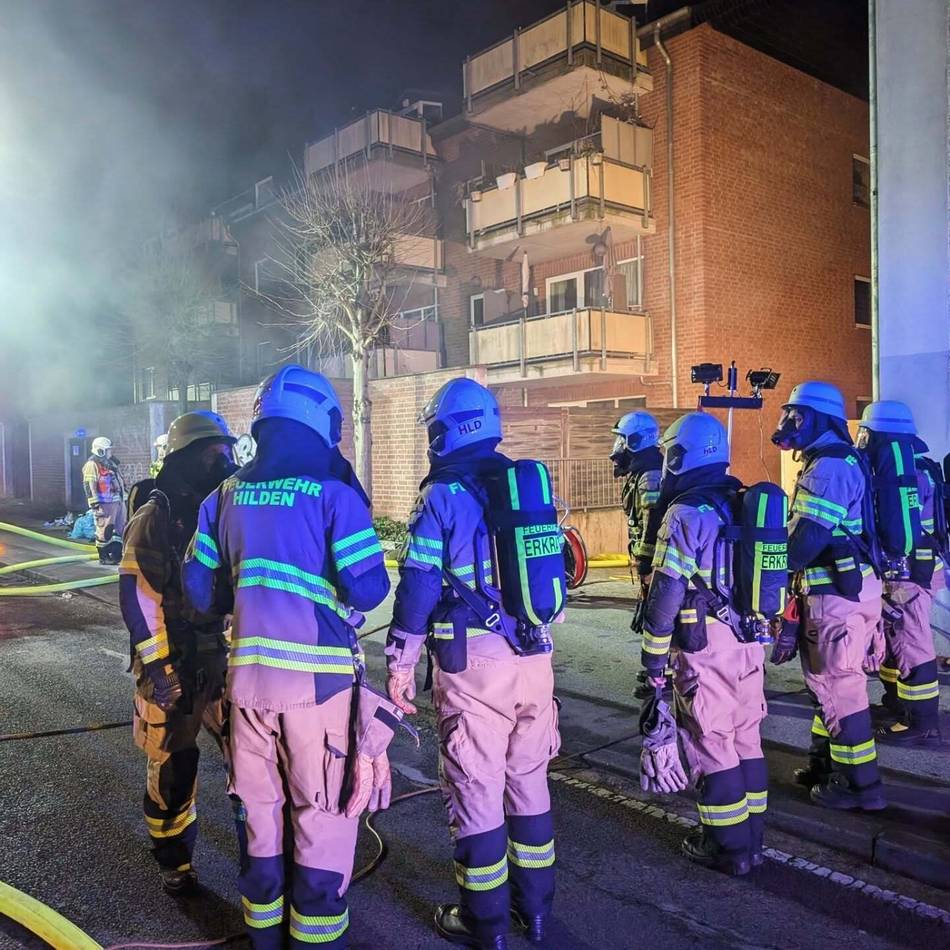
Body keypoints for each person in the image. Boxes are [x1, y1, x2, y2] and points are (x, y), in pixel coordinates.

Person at [182, 366, 393, 950]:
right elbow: (371, 588)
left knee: (260, 820)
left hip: (247, 688)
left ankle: (264, 939)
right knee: (321, 821)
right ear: (320, 419)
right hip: (318, 691)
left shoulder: (223, 495)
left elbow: (199, 593)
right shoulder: (333, 492)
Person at [386, 377, 561, 950]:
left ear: (444, 431)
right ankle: (533, 913)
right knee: (528, 787)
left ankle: (484, 925)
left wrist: (400, 662)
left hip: (475, 664)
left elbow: (416, 587)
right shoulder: (524, 487)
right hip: (534, 656)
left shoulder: (441, 495)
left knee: (477, 791)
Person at [640, 412, 768, 876]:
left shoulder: (685, 512)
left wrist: (653, 655)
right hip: (749, 637)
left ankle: (727, 846)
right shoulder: (742, 500)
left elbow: (667, 591)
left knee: (711, 740)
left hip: (706, 642)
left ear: (678, 456)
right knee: (745, 738)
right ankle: (752, 837)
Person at [119, 410, 239, 894]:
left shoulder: (225, 507)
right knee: (173, 764)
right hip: (173, 662)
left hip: (222, 657)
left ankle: (264, 851)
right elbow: (139, 596)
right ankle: (174, 861)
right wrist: (159, 669)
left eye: (227, 451)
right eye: (215, 452)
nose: (225, 461)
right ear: (187, 455)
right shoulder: (157, 515)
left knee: (251, 757)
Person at [771, 381, 886, 811]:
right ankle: (827, 766)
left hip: (835, 597)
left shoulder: (829, 468)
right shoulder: (830, 461)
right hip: (842, 592)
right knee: (827, 686)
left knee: (840, 688)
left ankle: (860, 784)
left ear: (820, 419)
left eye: (797, 416)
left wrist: (762, 565)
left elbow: (803, 544)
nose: (788, 424)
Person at [858, 401, 943, 746]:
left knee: (912, 644)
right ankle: (897, 706)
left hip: (908, 575)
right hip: (920, 568)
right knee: (897, 642)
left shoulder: (897, 473)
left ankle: (921, 722)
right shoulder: (920, 467)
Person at [84, 436, 126, 564]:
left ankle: (117, 554)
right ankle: (104, 557)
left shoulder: (111, 464)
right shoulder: (92, 465)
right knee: (104, 530)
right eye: (108, 450)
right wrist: (94, 504)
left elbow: (119, 481)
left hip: (117, 501)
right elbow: (89, 484)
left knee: (121, 527)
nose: (110, 452)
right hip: (104, 504)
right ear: (100, 450)